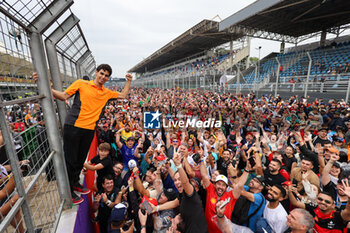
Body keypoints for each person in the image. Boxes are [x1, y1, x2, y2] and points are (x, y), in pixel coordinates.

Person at [33, 64, 132, 204]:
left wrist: (128, 81)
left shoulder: (106, 92)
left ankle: (75, 183)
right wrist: (44, 86)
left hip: (89, 130)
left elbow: (123, 95)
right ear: (96, 73)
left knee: (80, 160)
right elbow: (63, 96)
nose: (103, 77)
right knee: (70, 159)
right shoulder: (81, 83)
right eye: (101, 73)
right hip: (73, 126)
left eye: (106, 76)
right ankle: (68, 191)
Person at [199, 147, 242, 233]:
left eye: (223, 185)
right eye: (218, 184)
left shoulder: (230, 195)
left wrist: (246, 171)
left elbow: (239, 186)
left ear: (226, 187)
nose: (220, 187)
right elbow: (204, 176)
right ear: (214, 184)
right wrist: (201, 160)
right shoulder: (211, 189)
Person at [172, 148, 208, 233]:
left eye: (179, 179)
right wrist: (157, 208)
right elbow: (174, 202)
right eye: (175, 180)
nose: (177, 182)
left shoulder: (192, 196)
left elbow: (185, 182)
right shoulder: (182, 194)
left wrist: (179, 165)